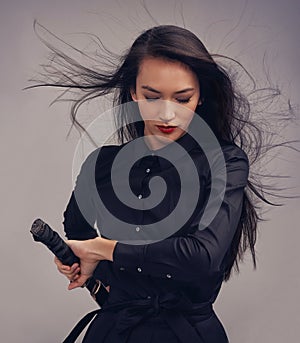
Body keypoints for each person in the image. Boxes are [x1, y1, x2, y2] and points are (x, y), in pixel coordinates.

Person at [34, 24, 291, 342]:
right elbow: (77, 230)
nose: (167, 114)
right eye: (152, 97)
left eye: (182, 98)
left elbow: (201, 257)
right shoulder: (102, 164)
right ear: (133, 92)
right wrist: (94, 269)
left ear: (200, 97)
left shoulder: (225, 162)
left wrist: (104, 250)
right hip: (113, 331)